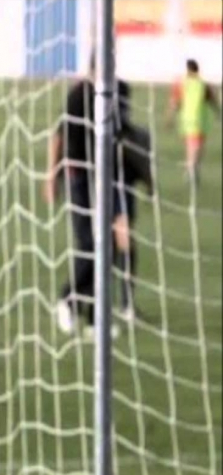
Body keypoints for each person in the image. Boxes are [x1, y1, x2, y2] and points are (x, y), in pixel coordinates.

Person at [43, 52, 151, 334]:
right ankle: (68, 299)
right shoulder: (78, 96)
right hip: (80, 176)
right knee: (91, 244)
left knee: (114, 243)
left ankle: (97, 317)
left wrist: (143, 170)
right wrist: (51, 176)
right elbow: (59, 135)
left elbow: (125, 132)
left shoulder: (121, 91)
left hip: (111, 175)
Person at [165, 59, 221, 185]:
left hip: (185, 120)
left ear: (187, 69)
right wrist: (218, 112)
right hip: (199, 120)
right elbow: (212, 100)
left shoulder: (181, 83)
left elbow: (174, 102)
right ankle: (192, 169)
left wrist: (169, 118)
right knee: (197, 147)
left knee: (190, 147)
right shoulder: (202, 84)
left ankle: (192, 169)